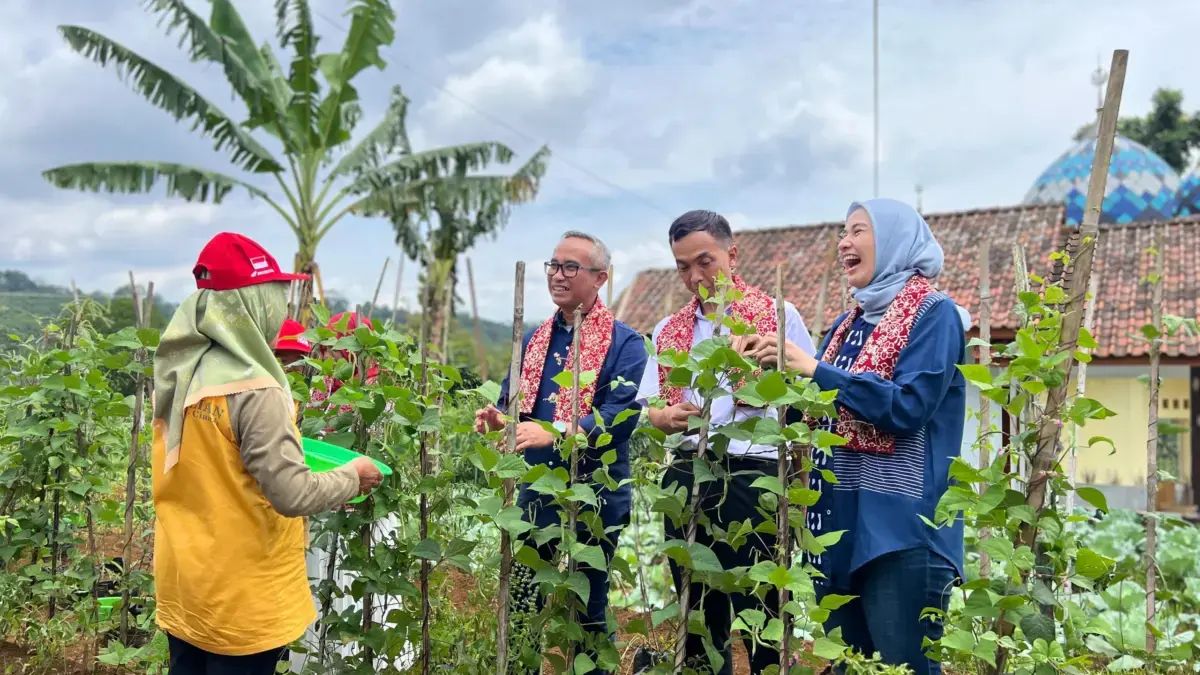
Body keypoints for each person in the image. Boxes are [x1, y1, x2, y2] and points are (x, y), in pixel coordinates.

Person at [736, 199, 966, 675]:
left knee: (904, 667)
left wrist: (812, 368)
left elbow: (908, 406)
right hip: (837, 525)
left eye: (859, 230)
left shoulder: (935, 315)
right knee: (847, 666)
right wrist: (764, 375)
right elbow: (816, 410)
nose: (844, 241)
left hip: (903, 531)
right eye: (843, 232)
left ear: (897, 241)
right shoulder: (847, 326)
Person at [151, 232, 384, 674]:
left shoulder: (178, 371)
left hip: (185, 581)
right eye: (275, 292)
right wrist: (353, 475)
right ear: (254, 302)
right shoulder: (256, 389)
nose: (281, 305)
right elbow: (291, 494)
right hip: (241, 598)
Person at [637, 209, 816, 674]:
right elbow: (653, 410)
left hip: (755, 473)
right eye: (682, 266)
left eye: (705, 262)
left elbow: (807, 401)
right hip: (687, 472)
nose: (695, 277)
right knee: (697, 613)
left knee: (765, 607)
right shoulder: (667, 330)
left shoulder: (778, 316)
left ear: (731, 255)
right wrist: (666, 415)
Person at [474, 231, 647, 673]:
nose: (558, 275)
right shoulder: (536, 340)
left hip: (598, 492)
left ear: (600, 278)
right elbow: (514, 402)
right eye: (554, 265)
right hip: (540, 487)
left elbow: (623, 416)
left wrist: (561, 430)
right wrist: (499, 418)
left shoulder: (625, 344)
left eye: (571, 267)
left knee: (590, 597)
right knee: (528, 593)